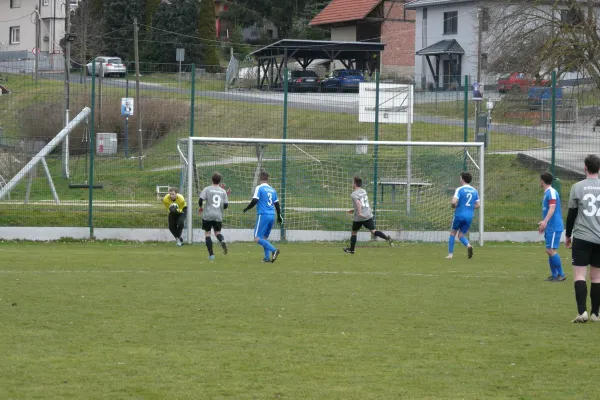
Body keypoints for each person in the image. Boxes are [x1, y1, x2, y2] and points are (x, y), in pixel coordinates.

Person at [565, 154, 600, 323]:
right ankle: (595, 314)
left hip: (582, 237)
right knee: (597, 277)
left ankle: (582, 313)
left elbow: (572, 214)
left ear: (585, 167)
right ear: (599, 168)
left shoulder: (577, 187)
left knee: (580, 275)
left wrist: (567, 235)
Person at [343, 176, 393, 254]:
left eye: (353, 182)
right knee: (374, 231)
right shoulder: (364, 191)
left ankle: (351, 249)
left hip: (359, 217)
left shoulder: (354, 194)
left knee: (354, 232)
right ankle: (386, 238)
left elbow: (359, 204)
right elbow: (363, 204)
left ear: (355, 184)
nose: (352, 184)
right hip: (367, 215)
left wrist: (359, 213)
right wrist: (353, 210)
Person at [243, 170, 282, 263]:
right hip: (272, 215)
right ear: (268, 179)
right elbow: (277, 204)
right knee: (264, 238)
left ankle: (274, 250)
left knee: (257, 238)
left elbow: (255, 200)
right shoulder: (273, 190)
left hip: (263, 215)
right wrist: (279, 216)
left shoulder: (259, 188)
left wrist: (247, 208)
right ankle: (266, 258)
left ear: (260, 178)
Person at [538, 171, 565, 282]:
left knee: (550, 250)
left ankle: (561, 274)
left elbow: (552, 207)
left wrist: (545, 222)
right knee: (549, 250)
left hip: (554, 226)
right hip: (550, 226)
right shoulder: (547, 193)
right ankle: (554, 275)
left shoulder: (551, 192)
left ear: (542, 181)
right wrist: (544, 223)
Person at [447, 172, 480, 259]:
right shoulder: (475, 191)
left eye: (460, 177)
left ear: (463, 179)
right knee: (461, 235)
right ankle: (469, 245)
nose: (460, 179)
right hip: (469, 216)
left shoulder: (459, 189)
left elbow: (453, 202)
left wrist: (453, 205)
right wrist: (468, 207)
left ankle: (450, 254)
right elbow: (478, 205)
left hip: (459, 214)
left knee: (453, 233)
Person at [199, 172, 231, 260]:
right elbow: (225, 206)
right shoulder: (223, 191)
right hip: (218, 215)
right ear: (220, 181)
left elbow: (201, 200)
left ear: (211, 179)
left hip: (208, 215)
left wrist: (201, 207)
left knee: (207, 234)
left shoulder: (207, 189)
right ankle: (222, 240)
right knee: (217, 233)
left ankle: (211, 255)